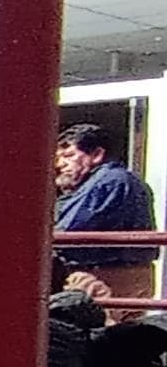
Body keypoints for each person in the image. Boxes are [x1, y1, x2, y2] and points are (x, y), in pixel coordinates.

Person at [55, 122, 159, 301]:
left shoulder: (109, 181)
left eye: (69, 156)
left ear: (96, 155)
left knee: (89, 325)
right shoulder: (116, 180)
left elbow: (68, 231)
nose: (60, 164)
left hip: (104, 276)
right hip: (125, 273)